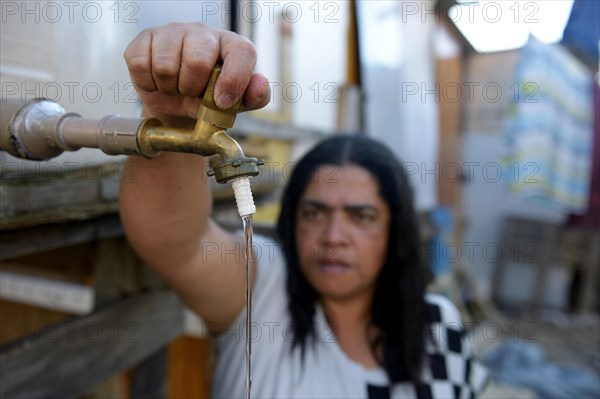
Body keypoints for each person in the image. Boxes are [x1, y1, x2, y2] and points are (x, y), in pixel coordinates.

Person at [119, 22, 488, 399]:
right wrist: (173, 120)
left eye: (361, 217)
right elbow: (176, 242)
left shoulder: (436, 326)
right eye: (314, 213)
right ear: (292, 220)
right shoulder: (264, 288)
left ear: (396, 228)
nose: (333, 237)